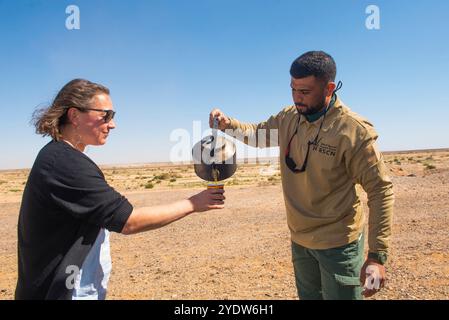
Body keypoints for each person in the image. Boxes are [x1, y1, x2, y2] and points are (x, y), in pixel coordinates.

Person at [16, 79, 225, 300]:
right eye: (105, 115)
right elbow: (129, 221)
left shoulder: (59, 157)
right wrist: (193, 203)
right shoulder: (65, 163)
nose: (112, 124)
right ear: (75, 116)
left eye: (112, 116)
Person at [209, 51, 394, 300]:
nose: (297, 98)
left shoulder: (352, 132)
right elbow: (257, 134)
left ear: (329, 88)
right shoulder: (289, 118)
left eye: (305, 92)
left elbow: (380, 190)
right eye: (293, 89)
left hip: (338, 244)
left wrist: (377, 256)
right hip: (300, 241)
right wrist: (227, 124)